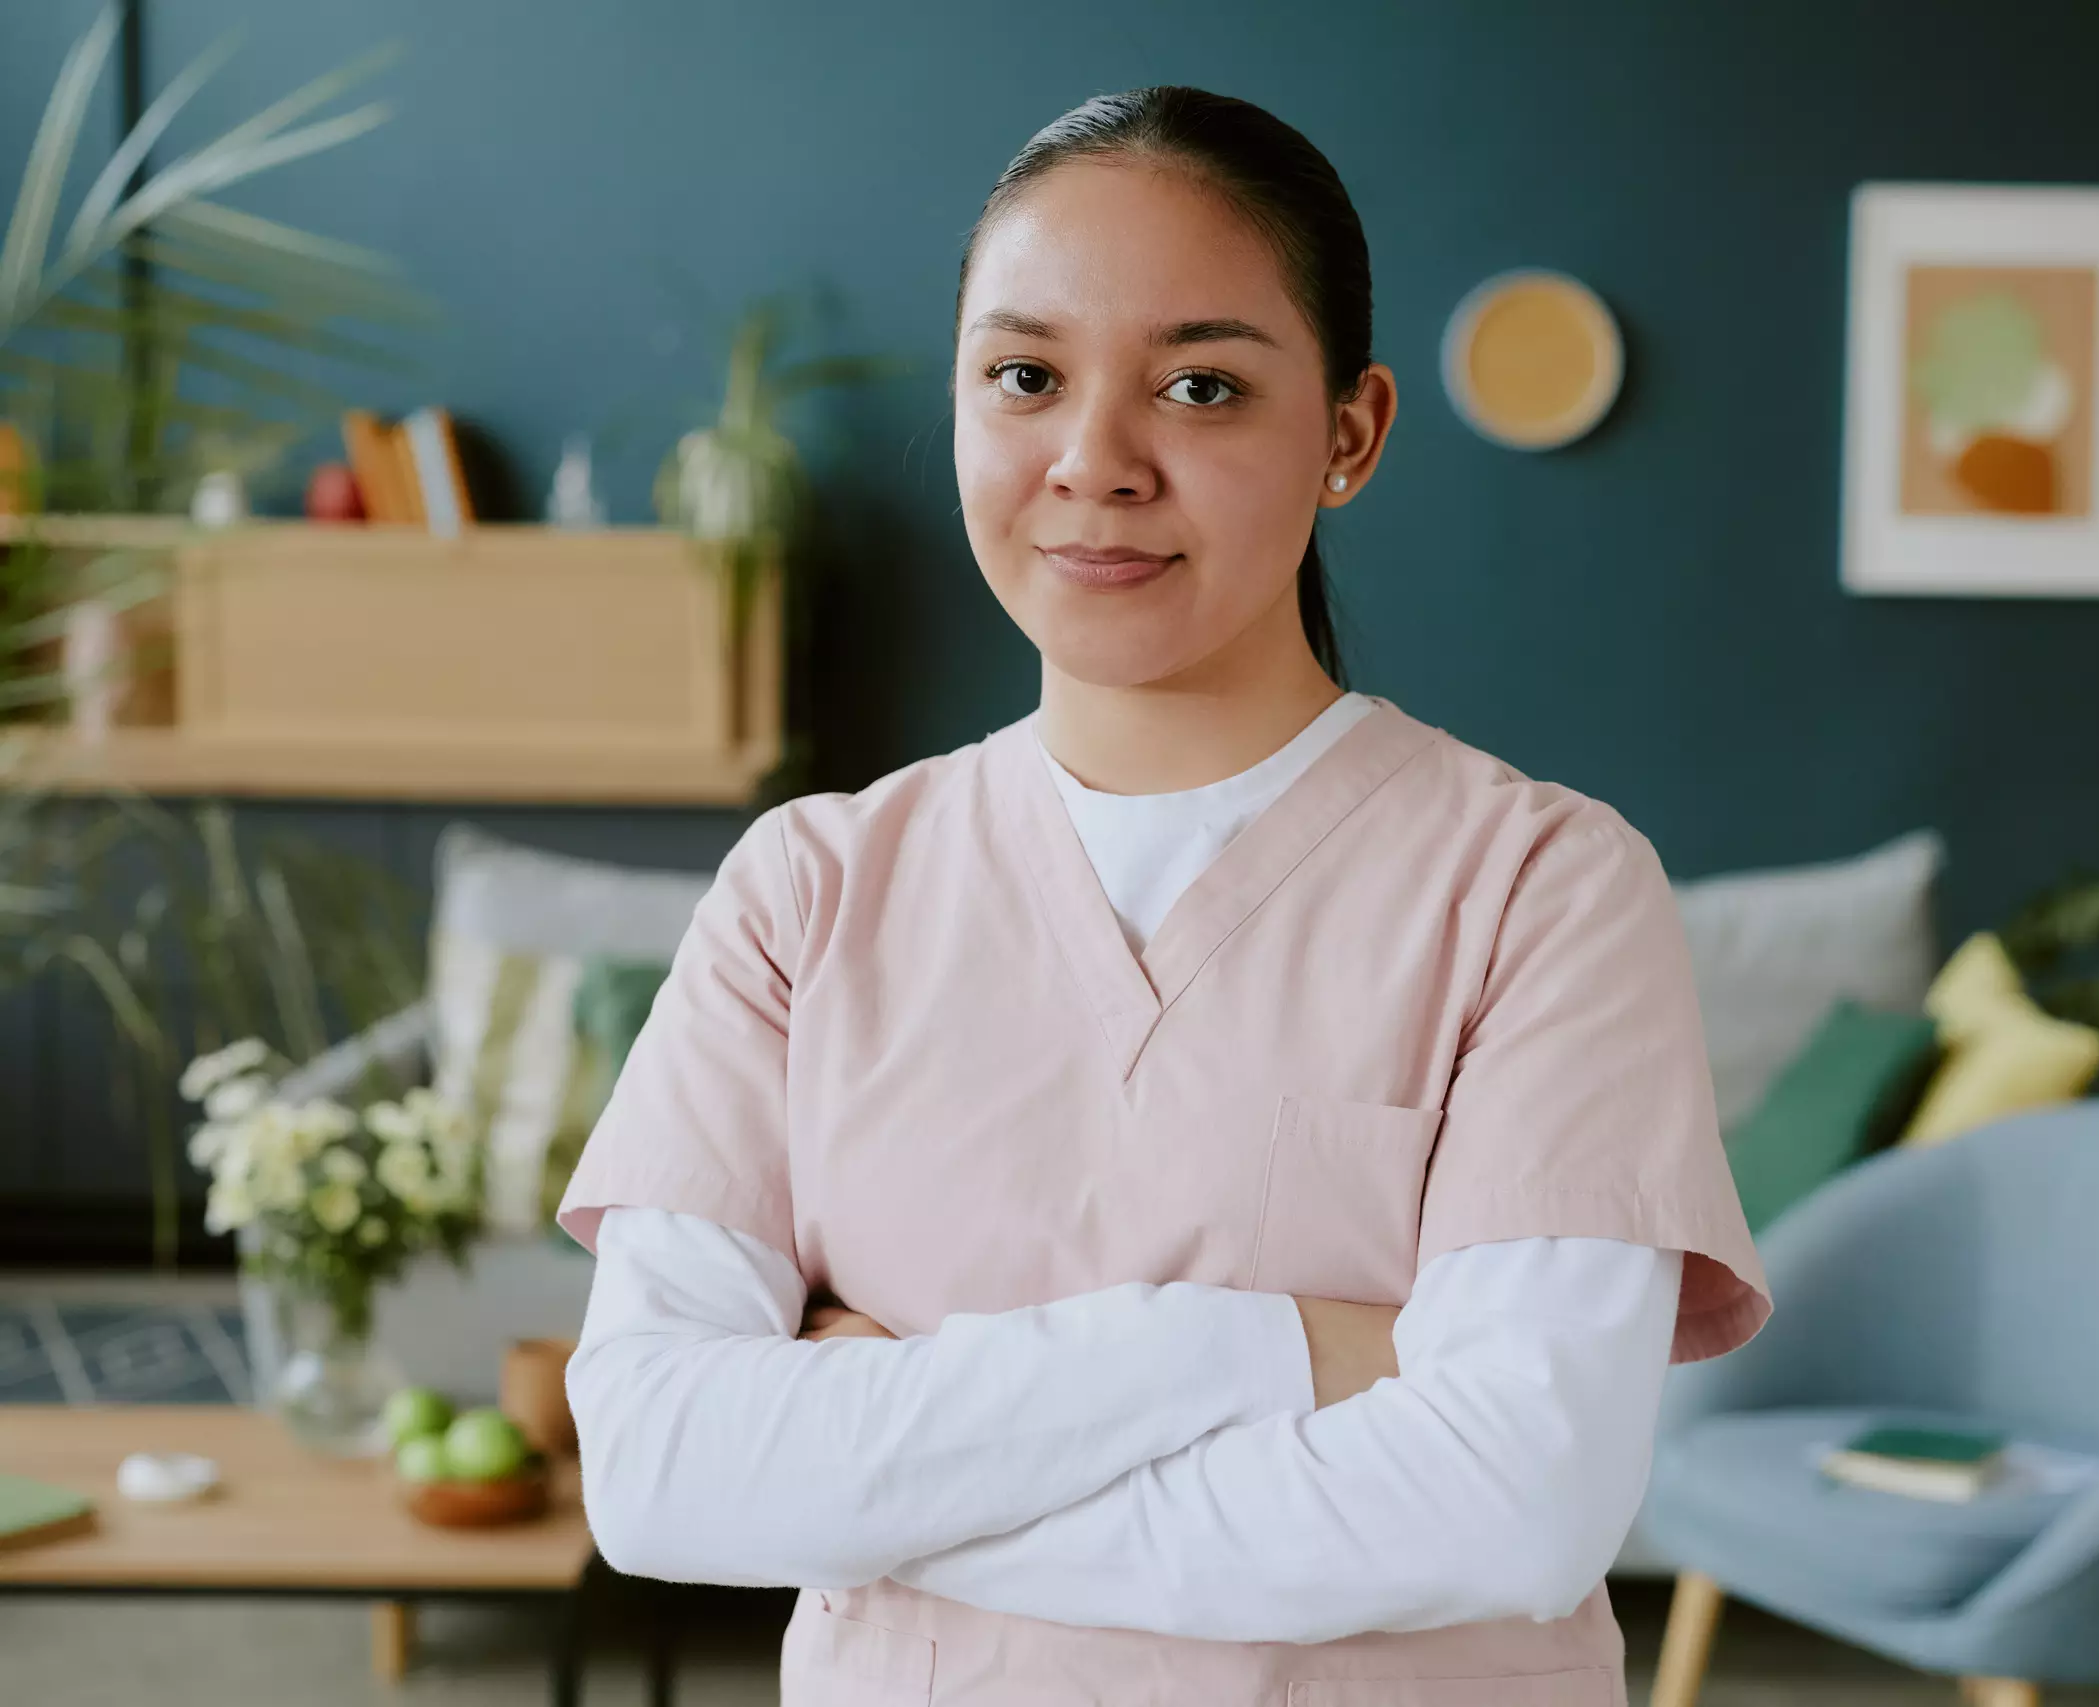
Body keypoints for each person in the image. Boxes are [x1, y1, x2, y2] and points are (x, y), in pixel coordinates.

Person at [558, 85, 1767, 1706]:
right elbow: (661, 1471)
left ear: (1350, 430)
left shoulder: (1543, 889)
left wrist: (886, 1476)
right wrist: (1270, 1346)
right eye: (1026, 377)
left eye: (1200, 385)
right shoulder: (808, 891)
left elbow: (1516, 1503)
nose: (1095, 462)